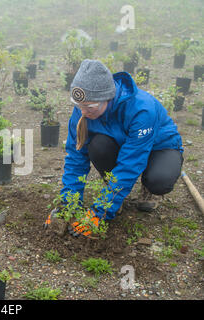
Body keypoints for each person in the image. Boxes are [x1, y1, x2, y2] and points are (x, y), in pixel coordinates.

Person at [59, 59, 183, 237]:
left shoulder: (142, 109)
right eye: (79, 106)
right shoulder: (83, 109)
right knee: (97, 146)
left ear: (107, 97)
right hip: (122, 144)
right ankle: (115, 194)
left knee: (159, 179)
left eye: (90, 107)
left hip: (160, 147)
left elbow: (130, 164)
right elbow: (75, 157)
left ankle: (145, 190)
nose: (83, 112)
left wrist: (99, 212)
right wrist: (69, 203)